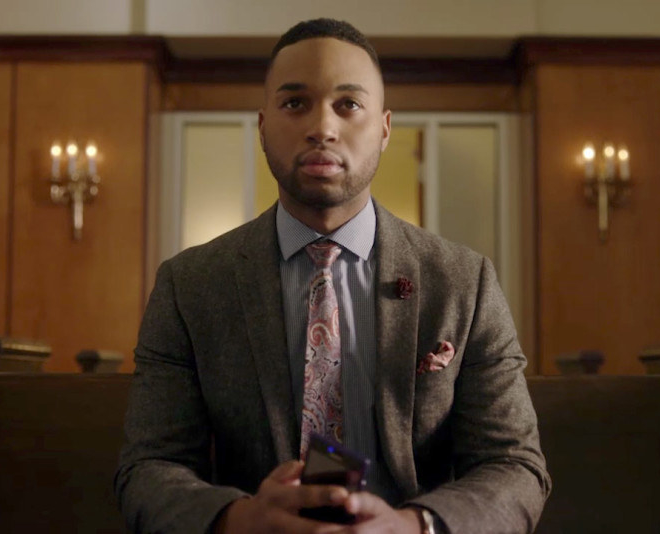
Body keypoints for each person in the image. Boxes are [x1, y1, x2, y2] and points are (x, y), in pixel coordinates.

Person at [115, 18, 550, 534]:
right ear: (262, 124)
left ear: (384, 128)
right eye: (295, 103)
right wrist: (240, 519)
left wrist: (414, 527)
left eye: (348, 104)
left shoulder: (464, 282)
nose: (322, 126)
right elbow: (148, 468)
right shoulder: (189, 286)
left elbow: (515, 466)